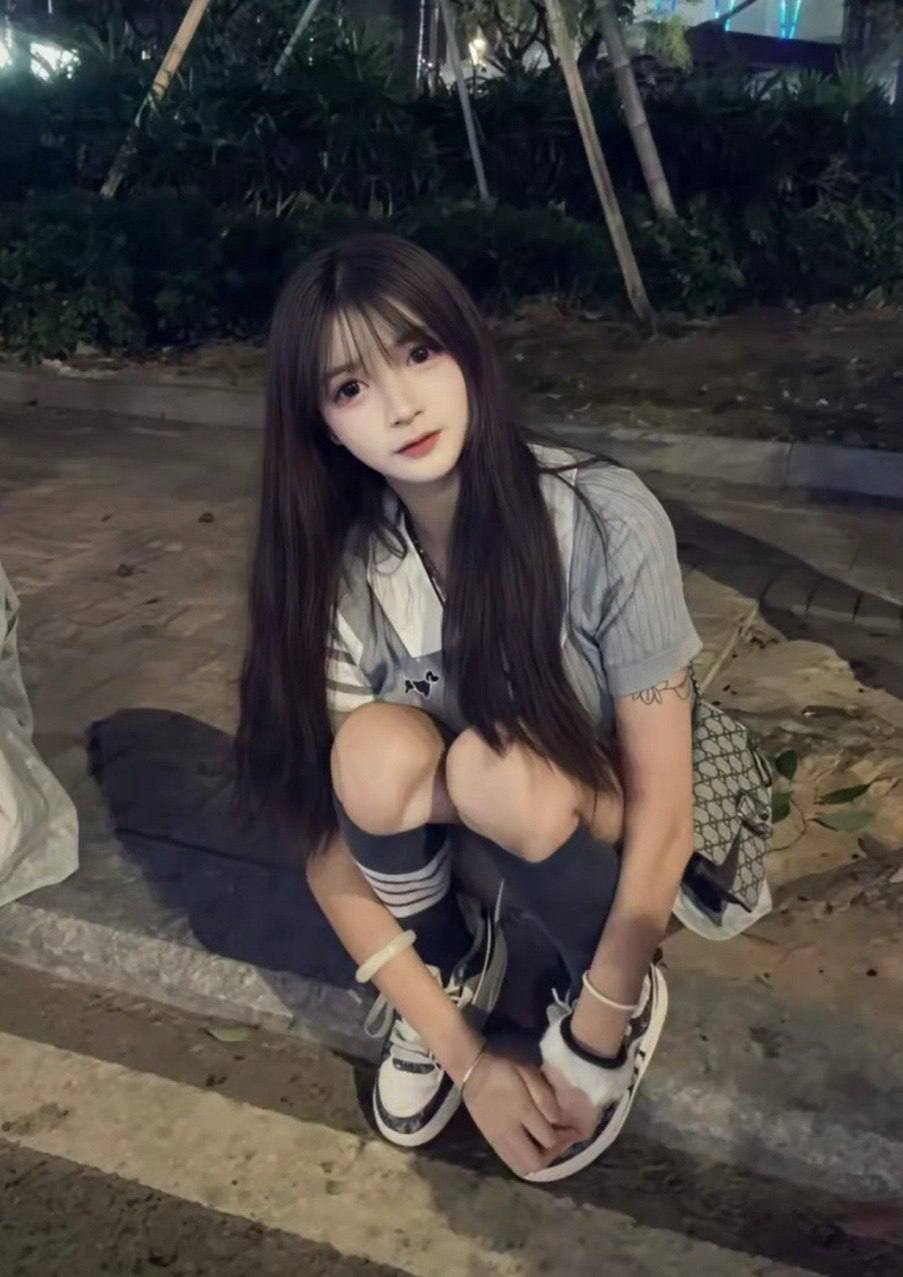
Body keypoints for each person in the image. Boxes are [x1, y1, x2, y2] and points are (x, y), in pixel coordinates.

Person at [235, 233, 763, 1183]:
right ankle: (452, 957)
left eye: (418, 352)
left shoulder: (602, 517)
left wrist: (602, 1017)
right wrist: (468, 1060)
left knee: (497, 767)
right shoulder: (341, 571)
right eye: (350, 387)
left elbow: (668, 812)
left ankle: (601, 971)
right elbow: (328, 846)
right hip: (471, 848)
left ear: (468, 347)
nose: (400, 405)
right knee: (369, 755)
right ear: (321, 424)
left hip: (616, 844)